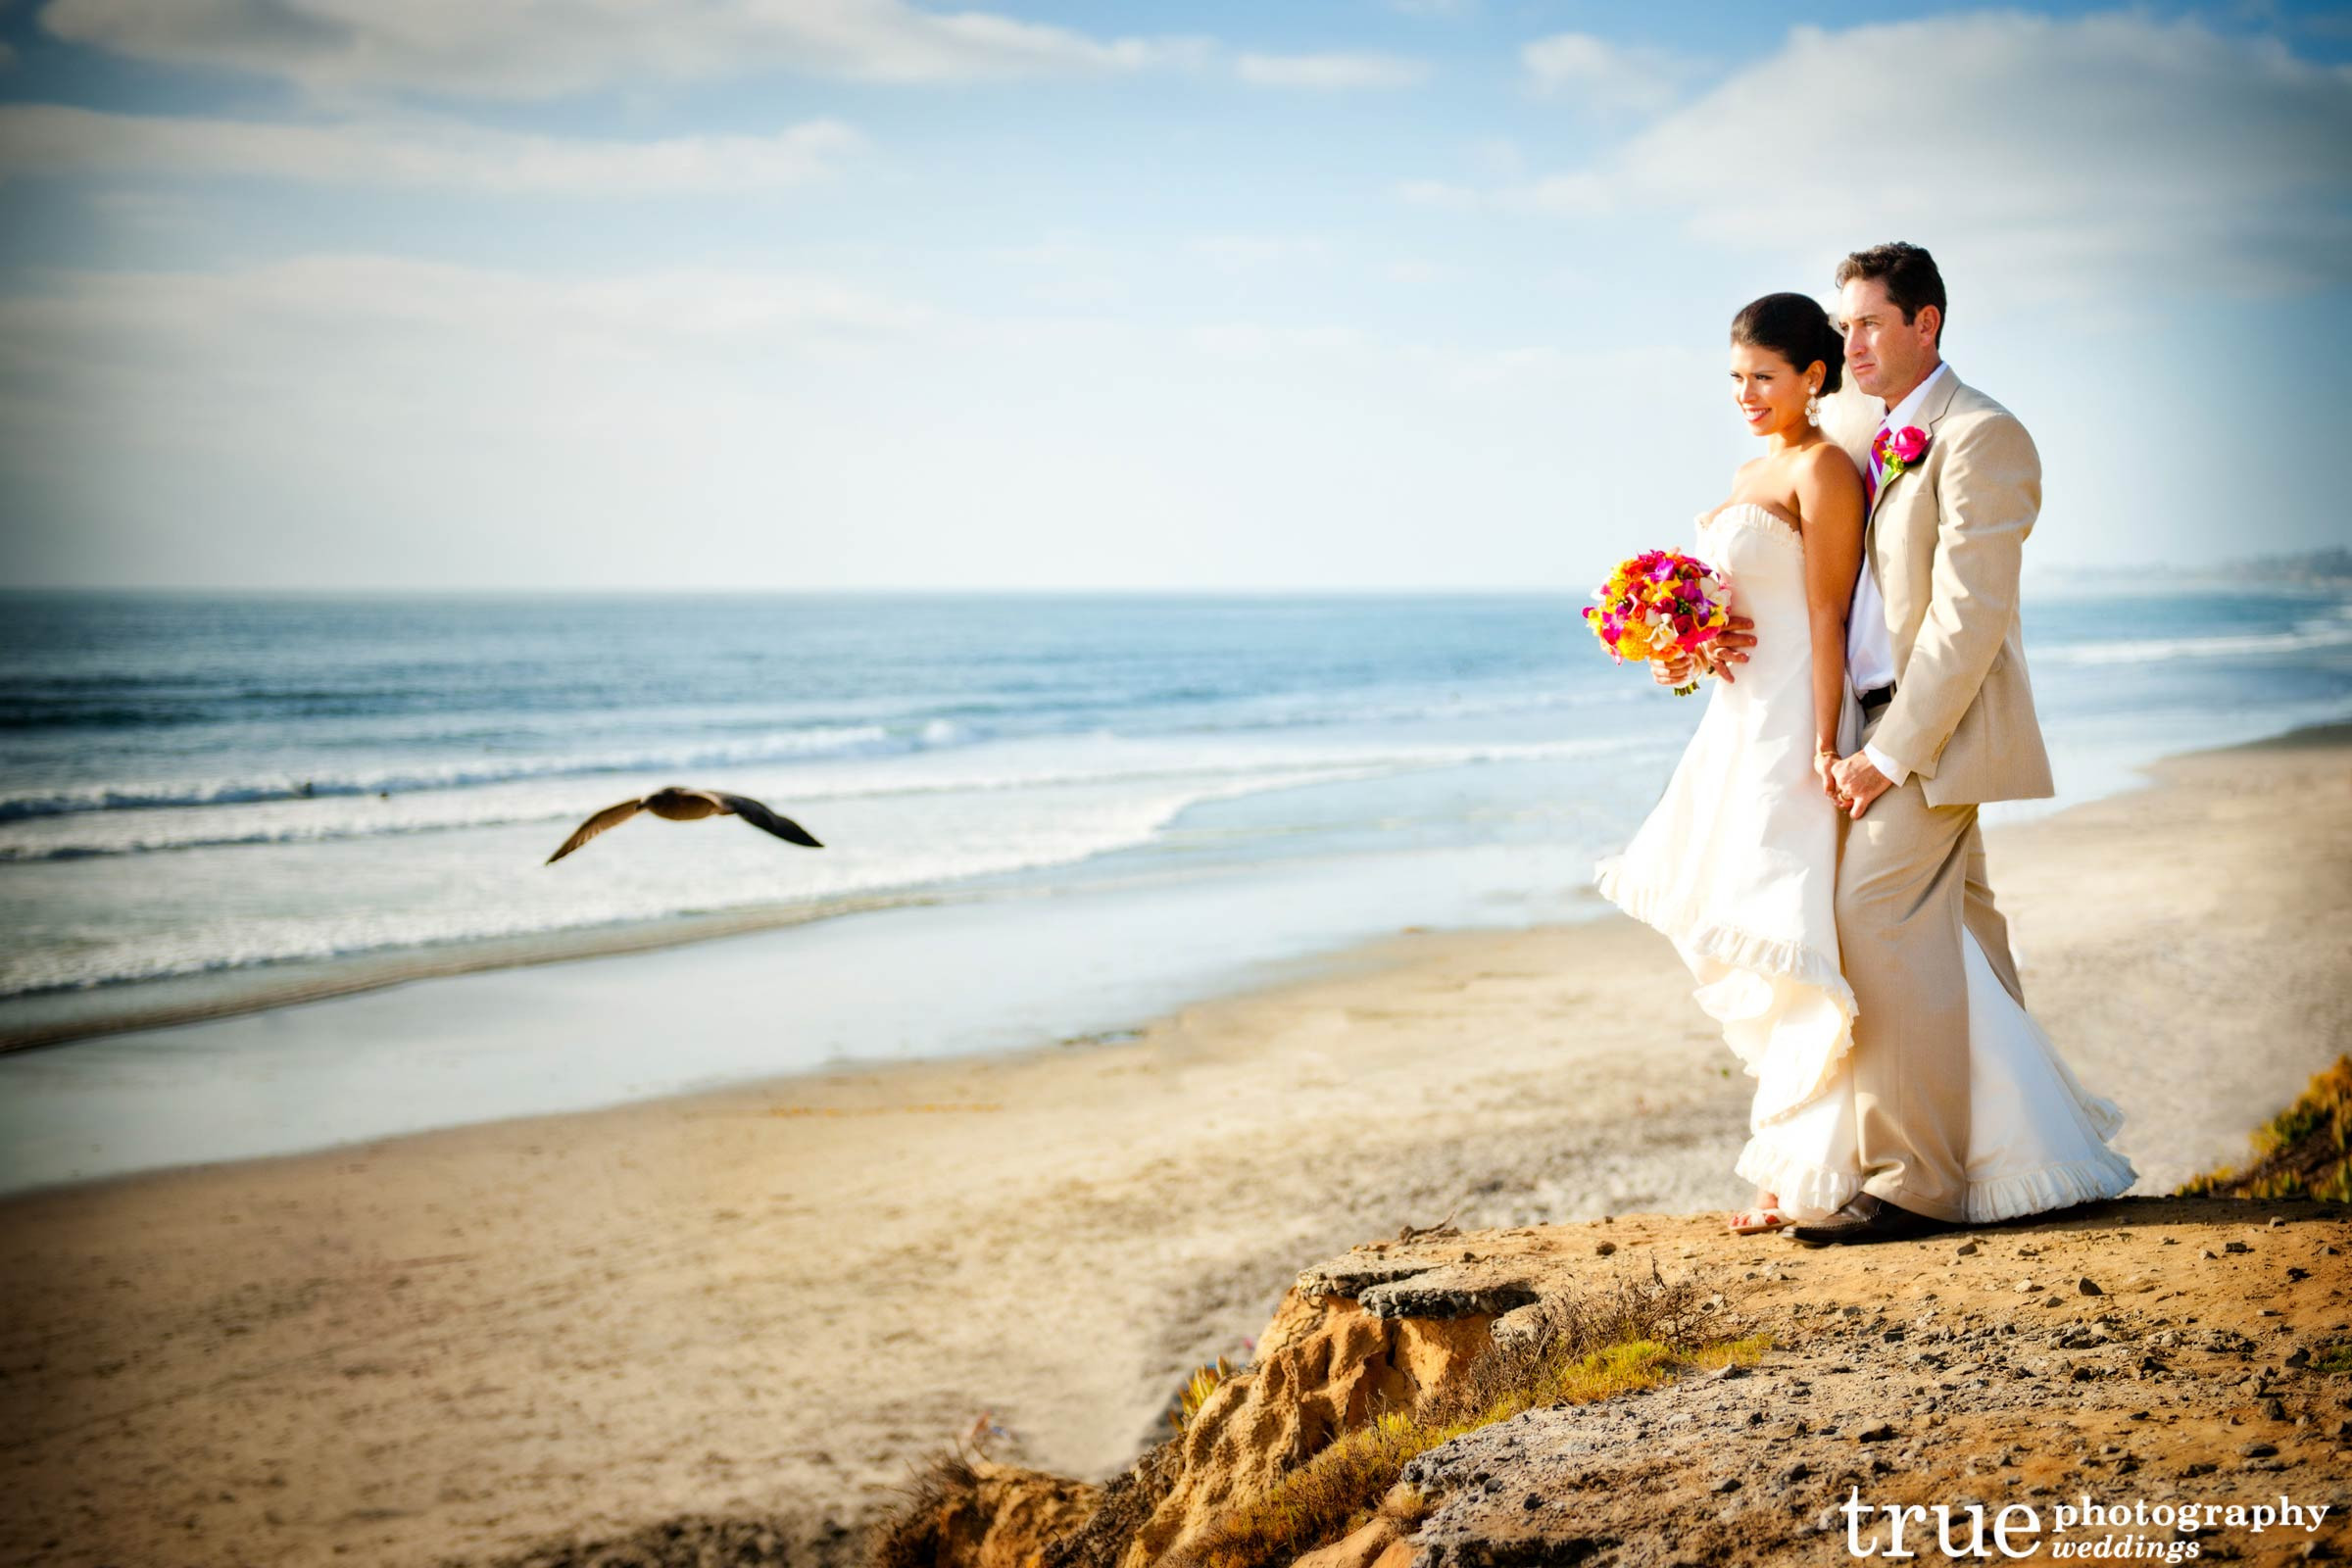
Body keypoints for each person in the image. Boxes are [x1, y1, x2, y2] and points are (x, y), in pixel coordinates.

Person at [1595, 261, 2135, 1240]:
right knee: (1963, 936)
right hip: (1860, 719)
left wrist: (1883, 753)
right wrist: (1704, 629)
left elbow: (1967, 623)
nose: (1852, 347)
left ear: (1927, 323)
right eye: (1844, 328)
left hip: (1931, 726)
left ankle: (1912, 1179)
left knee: (1871, 915)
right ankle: (2028, 1143)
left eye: (1871, 326)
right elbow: (1813, 588)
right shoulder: (1851, 433)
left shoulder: (1983, 435)